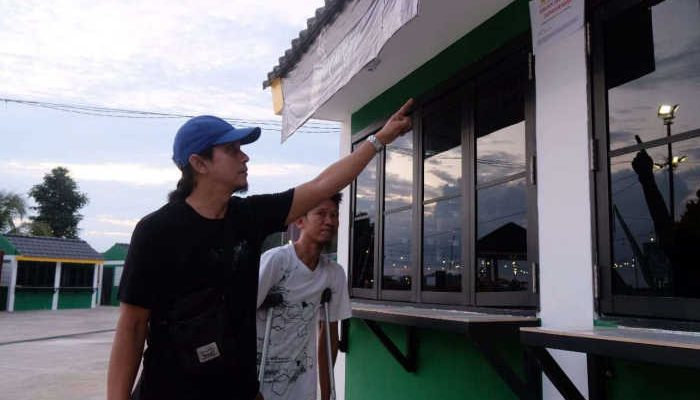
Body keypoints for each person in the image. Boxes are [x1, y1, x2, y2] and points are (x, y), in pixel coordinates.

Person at [106, 98, 413, 400]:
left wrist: (379, 139)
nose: (245, 158)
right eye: (231, 150)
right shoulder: (156, 232)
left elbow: (322, 186)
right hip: (170, 390)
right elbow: (132, 327)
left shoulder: (248, 217)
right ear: (199, 164)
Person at [256, 193, 350, 400]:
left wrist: (327, 394)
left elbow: (329, 336)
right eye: (321, 214)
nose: (329, 221)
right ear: (300, 221)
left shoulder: (334, 274)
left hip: (301, 386)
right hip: (260, 381)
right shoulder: (277, 261)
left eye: (334, 215)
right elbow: (238, 317)